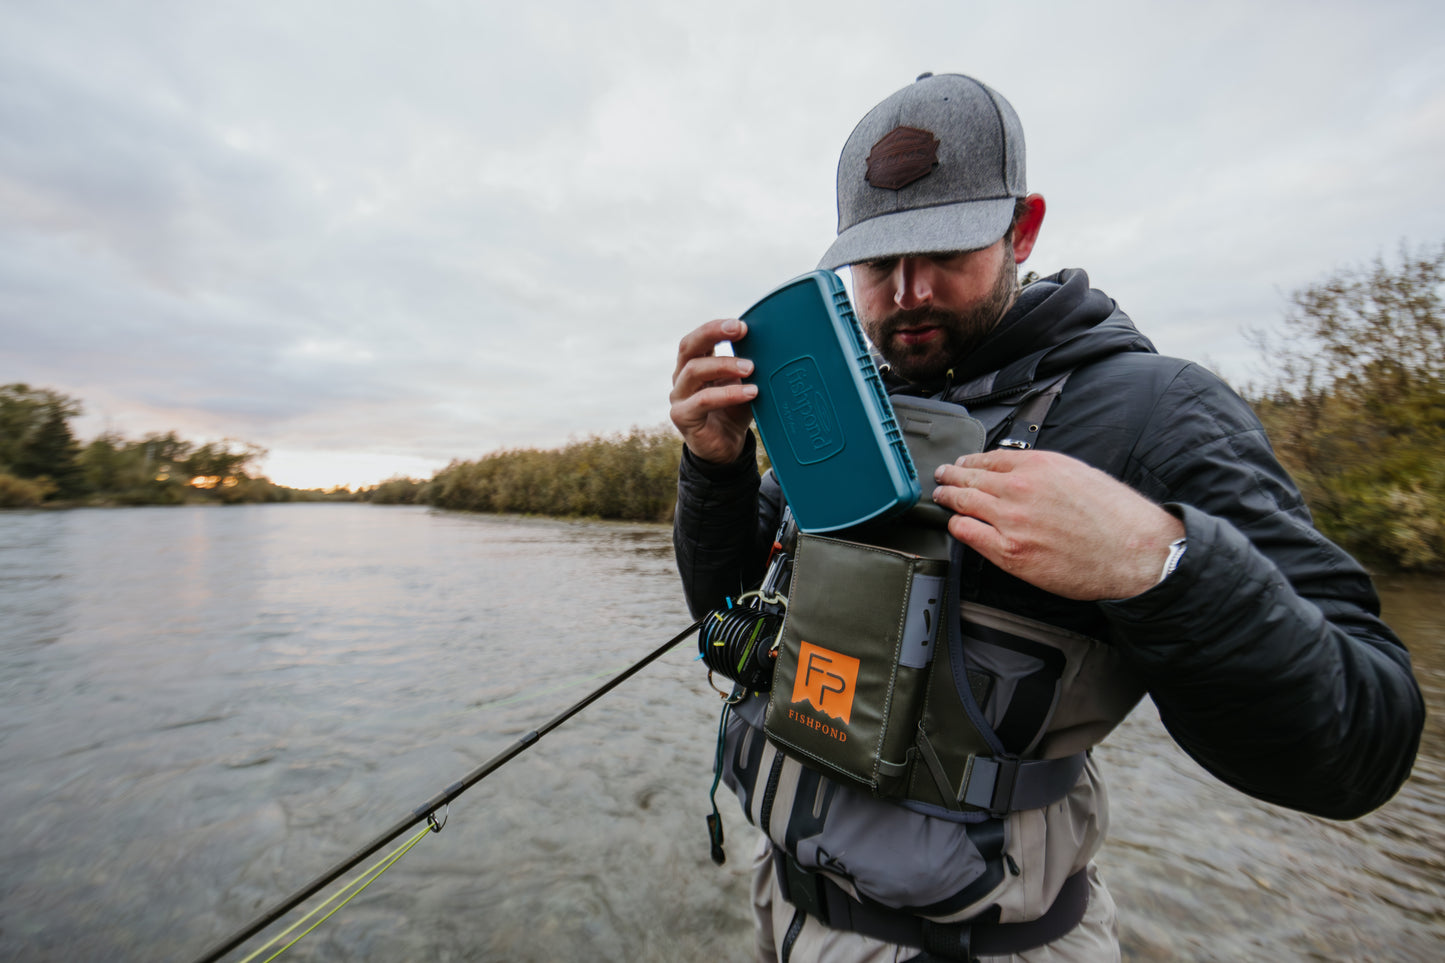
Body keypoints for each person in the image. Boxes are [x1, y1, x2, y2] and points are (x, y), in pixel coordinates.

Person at [669, 73, 1424, 962]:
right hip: (783, 903)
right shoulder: (838, 406)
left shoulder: (1158, 412)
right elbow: (722, 611)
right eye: (877, 264)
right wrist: (714, 471)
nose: (908, 290)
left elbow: (1361, 746)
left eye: (945, 248)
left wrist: (1160, 562)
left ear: (1020, 229)